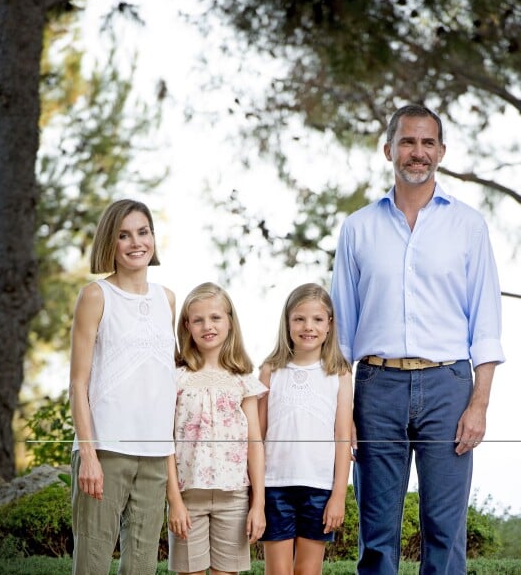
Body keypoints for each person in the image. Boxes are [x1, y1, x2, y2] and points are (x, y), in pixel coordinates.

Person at [330, 104, 505, 574]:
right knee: (377, 534)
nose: (418, 152)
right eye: (408, 141)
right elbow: (341, 333)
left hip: (448, 387)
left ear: (442, 152)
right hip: (375, 388)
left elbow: (485, 322)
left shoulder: (468, 226)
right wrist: (341, 410)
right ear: (388, 150)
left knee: (445, 531)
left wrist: (479, 404)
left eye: (428, 143)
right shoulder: (357, 228)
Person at [69, 199, 176, 575]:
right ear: (109, 243)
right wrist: (89, 454)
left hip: (155, 453)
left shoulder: (167, 299)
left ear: (153, 237)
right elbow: (78, 383)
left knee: (143, 563)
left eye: (143, 232)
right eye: (124, 235)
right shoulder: (96, 296)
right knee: (93, 561)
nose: (136, 243)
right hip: (106, 449)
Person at [166, 282, 267, 575]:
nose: (207, 326)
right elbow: (166, 443)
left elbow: (255, 443)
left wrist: (257, 504)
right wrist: (174, 501)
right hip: (188, 497)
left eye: (215, 317)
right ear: (187, 326)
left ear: (229, 321)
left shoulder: (243, 379)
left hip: (234, 497)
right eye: (198, 320)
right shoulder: (177, 378)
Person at [258, 283, 353, 575]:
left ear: (329, 325)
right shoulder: (270, 370)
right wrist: (256, 494)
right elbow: (257, 436)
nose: (308, 327)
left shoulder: (339, 373)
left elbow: (343, 438)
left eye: (317, 319)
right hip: (274, 486)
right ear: (287, 323)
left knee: (308, 571)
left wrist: (338, 496)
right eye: (299, 319)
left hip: (319, 488)